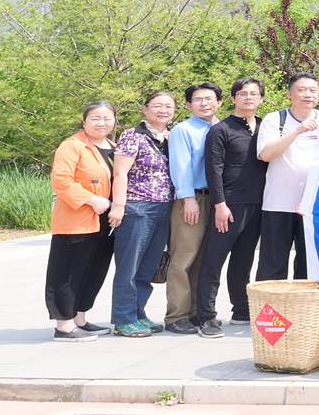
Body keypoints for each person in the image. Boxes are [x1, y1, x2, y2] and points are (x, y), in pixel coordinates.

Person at [192, 77, 267, 338]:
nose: (249, 97)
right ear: (233, 99)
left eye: (254, 93)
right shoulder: (220, 130)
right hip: (229, 204)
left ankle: (241, 310)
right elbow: (213, 170)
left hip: (258, 204)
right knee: (213, 261)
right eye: (242, 93)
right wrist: (220, 205)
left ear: (261, 99)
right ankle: (206, 317)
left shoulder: (265, 128)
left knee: (243, 261)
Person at [254, 72, 319, 289]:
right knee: (272, 266)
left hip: (313, 207)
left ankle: (303, 308)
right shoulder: (275, 119)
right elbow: (266, 154)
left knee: (308, 266)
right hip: (278, 204)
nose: (307, 94)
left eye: (313, 90)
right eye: (301, 90)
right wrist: (298, 131)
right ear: (290, 94)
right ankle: (269, 307)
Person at [45, 102, 117, 342]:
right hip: (77, 220)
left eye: (107, 118)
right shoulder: (72, 146)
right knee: (68, 273)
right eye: (95, 118)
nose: (101, 123)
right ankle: (64, 327)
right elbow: (61, 181)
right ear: (84, 121)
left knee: (93, 271)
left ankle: (80, 319)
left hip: (105, 222)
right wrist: (92, 200)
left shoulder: (113, 147)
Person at [106, 91, 175, 338]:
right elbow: (120, 173)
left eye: (168, 106)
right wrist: (119, 206)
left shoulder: (170, 137)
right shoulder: (133, 135)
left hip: (164, 207)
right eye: (157, 105)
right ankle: (123, 319)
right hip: (138, 207)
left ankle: (138, 313)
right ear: (145, 109)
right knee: (129, 266)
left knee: (148, 266)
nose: (163, 110)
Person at [163, 82, 222, 335]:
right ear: (189, 105)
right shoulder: (183, 130)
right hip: (192, 199)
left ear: (219, 102)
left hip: (216, 200)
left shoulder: (222, 127)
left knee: (202, 259)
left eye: (209, 99)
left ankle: (196, 312)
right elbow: (181, 166)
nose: (204, 103)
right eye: (198, 99)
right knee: (183, 257)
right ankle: (176, 316)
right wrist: (188, 199)